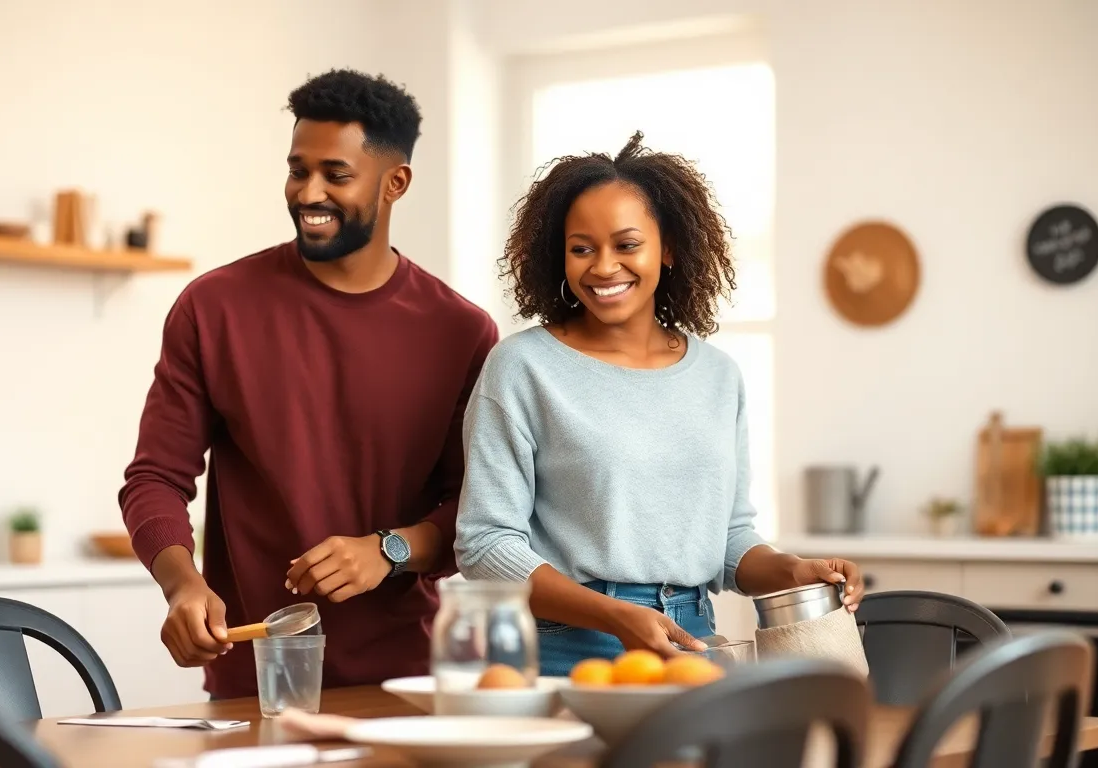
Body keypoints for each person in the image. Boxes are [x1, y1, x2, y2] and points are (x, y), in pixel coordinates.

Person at [120, 68, 499, 699]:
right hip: (256, 683)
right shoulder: (214, 307)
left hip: (404, 685)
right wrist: (182, 583)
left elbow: (480, 511)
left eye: (336, 174)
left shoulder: (462, 332)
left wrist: (391, 549)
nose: (308, 192)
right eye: (298, 170)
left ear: (395, 183)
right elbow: (154, 478)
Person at [453, 132, 864, 676]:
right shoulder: (523, 367)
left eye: (626, 245)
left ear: (667, 248)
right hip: (564, 645)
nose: (603, 267)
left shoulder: (718, 376)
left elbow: (729, 540)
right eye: (582, 248)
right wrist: (614, 615)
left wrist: (793, 570)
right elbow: (485, 544)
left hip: (692, 640)